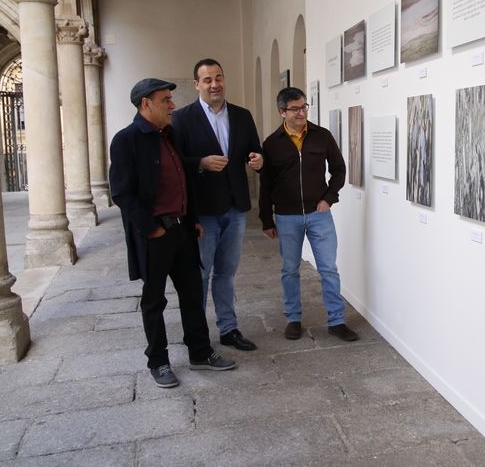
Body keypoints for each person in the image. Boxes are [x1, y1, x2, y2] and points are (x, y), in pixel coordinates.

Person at [109, 78, 236, 388]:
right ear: (145, 104)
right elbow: (122, 193)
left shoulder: (170, 135)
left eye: (170, 99)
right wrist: (150, 227)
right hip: (154, 236)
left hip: (182, 232)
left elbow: (182, 181)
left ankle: (200, 352)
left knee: (193, 294)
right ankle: (159, 361)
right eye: (165, 100)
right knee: (154, 301)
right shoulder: (126, 140)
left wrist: (190, 218)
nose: (172, 105)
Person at [172, 59, 264, 351]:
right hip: (203, 210)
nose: (214, 84)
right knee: (200, 274)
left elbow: (254, 150)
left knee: (227, 272)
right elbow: (175, 163)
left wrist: (258, 160)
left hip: (235, 207)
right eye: (207, 80)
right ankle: (196, 335)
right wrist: (199, 163)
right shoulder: (182, 119)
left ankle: (228, 329)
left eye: (219, 78)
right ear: (197, 84)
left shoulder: (242, 115)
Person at [259, 87, 358, 342]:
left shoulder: (322, 136)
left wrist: (328, 198)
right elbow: (266, 184)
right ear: (282, 112)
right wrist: (266, 219)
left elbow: (339, 170)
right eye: (295, 108)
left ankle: (336, 321)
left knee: (328, 268)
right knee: (290, 270)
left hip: (319, 214)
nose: (302, 112)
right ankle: (293, 318)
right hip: (286, 216)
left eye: (304, 107)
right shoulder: (272, 144)